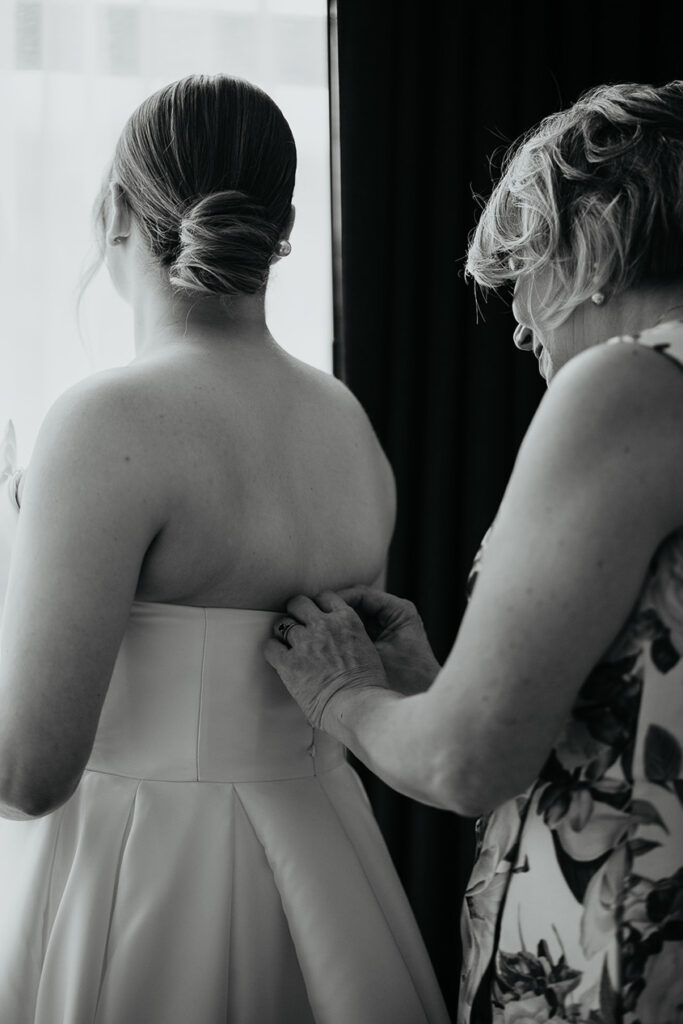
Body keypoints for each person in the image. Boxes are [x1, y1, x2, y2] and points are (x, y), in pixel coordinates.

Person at [0, 74, 450, 1024]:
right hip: (325, 876)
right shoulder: (345, 424)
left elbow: (25, 774)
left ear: (116, 212)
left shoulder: (105, 421)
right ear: (279, 228)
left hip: (140, 884)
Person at [265, 81, 683, 1023]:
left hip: (618, 969)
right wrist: (432, 684)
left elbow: (463, 766)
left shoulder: (628, 384)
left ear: (595, 240)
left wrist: (345, 696)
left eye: (527, 268)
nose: (520, 324)